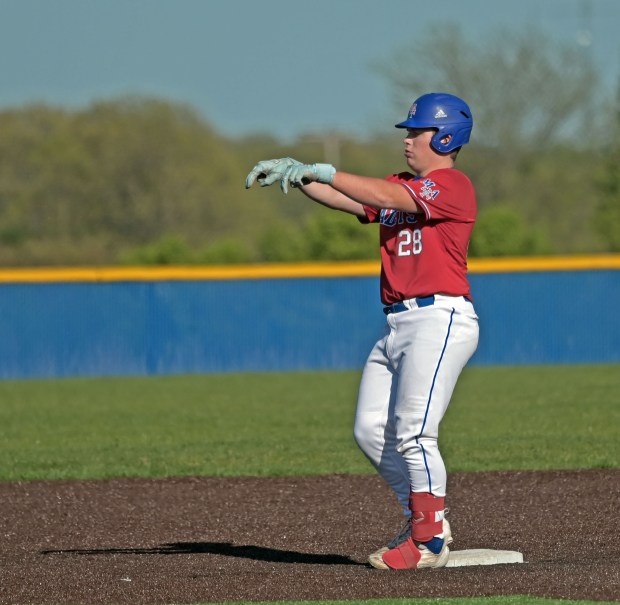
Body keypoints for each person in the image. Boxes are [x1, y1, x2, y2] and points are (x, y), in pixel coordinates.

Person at [245, 92, 479, 571]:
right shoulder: (401, 185)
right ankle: (426, 519)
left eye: (417, 131)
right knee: (371, 429)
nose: (409, 139)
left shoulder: (452, 186)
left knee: (414, 433)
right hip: (398, 322)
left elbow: (388, 196)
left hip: (440, 318)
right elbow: (349, 198)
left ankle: (428, 541)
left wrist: (325, 167)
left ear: (447, 136)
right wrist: (302, 173)